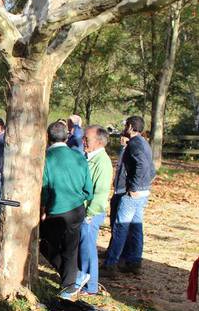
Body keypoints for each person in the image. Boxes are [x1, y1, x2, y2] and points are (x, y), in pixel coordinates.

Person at [40, 122, 93, 301]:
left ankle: (69, 287)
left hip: (56, 211)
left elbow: (45, 188)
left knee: (45, 244)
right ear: (67, 137)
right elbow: (89, 190)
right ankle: (72, 279)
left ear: (48, 137)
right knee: (70, 249)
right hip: (77, 209)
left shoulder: (46, 159)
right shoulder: (79, 157)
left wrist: (43, 207)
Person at [102, 116, 156, 277]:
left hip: (135, 193)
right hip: (143, 192)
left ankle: (111, 265)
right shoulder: (144, 143)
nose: (124, 128)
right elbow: (151, 169)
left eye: (126, 125)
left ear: (131, 127)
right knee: (136, 227)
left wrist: (134, 187)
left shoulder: (135, 144)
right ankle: (134, 262)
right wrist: (146, 185)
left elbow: (142, 165)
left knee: (121, 227)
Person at [76, 126, 113, 294]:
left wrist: (89, 214)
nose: (83, 141)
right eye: (84, 138)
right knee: (83, 246)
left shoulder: (103, 162)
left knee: (88, 248)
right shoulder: (88, 157)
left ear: (98, 142)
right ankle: (81, 278)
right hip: (83, 210)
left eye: (87, 139)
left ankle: (90, 286)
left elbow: (101, 193)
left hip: (91, 213)